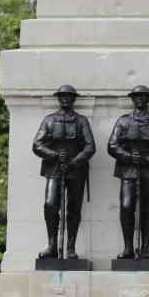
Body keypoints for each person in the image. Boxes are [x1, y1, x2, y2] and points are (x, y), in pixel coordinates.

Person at [32, 84, 97, 260]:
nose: (66, 99)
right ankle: (52, 245)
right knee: (51, 205)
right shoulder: (49, 120)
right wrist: (53, 155)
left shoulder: (81, 121)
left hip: (76, 170)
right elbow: (37, 144)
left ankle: (70, 247)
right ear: (58, 98)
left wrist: (75, 161)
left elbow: (90, 146)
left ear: (74, 99)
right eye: (63, 96)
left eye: (69, 96)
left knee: (74, 208)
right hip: (54, 169)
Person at [107, 86, 149, 260]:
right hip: (128, 170)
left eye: (143, 97)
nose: (140, 99)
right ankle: (128, 247)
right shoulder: (123, 121)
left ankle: (144, 248)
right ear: (133, 99)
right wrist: (128, 156)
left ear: (148, 99)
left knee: (148, 210)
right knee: (127, 206)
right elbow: (112, 145)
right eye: (137, 96)